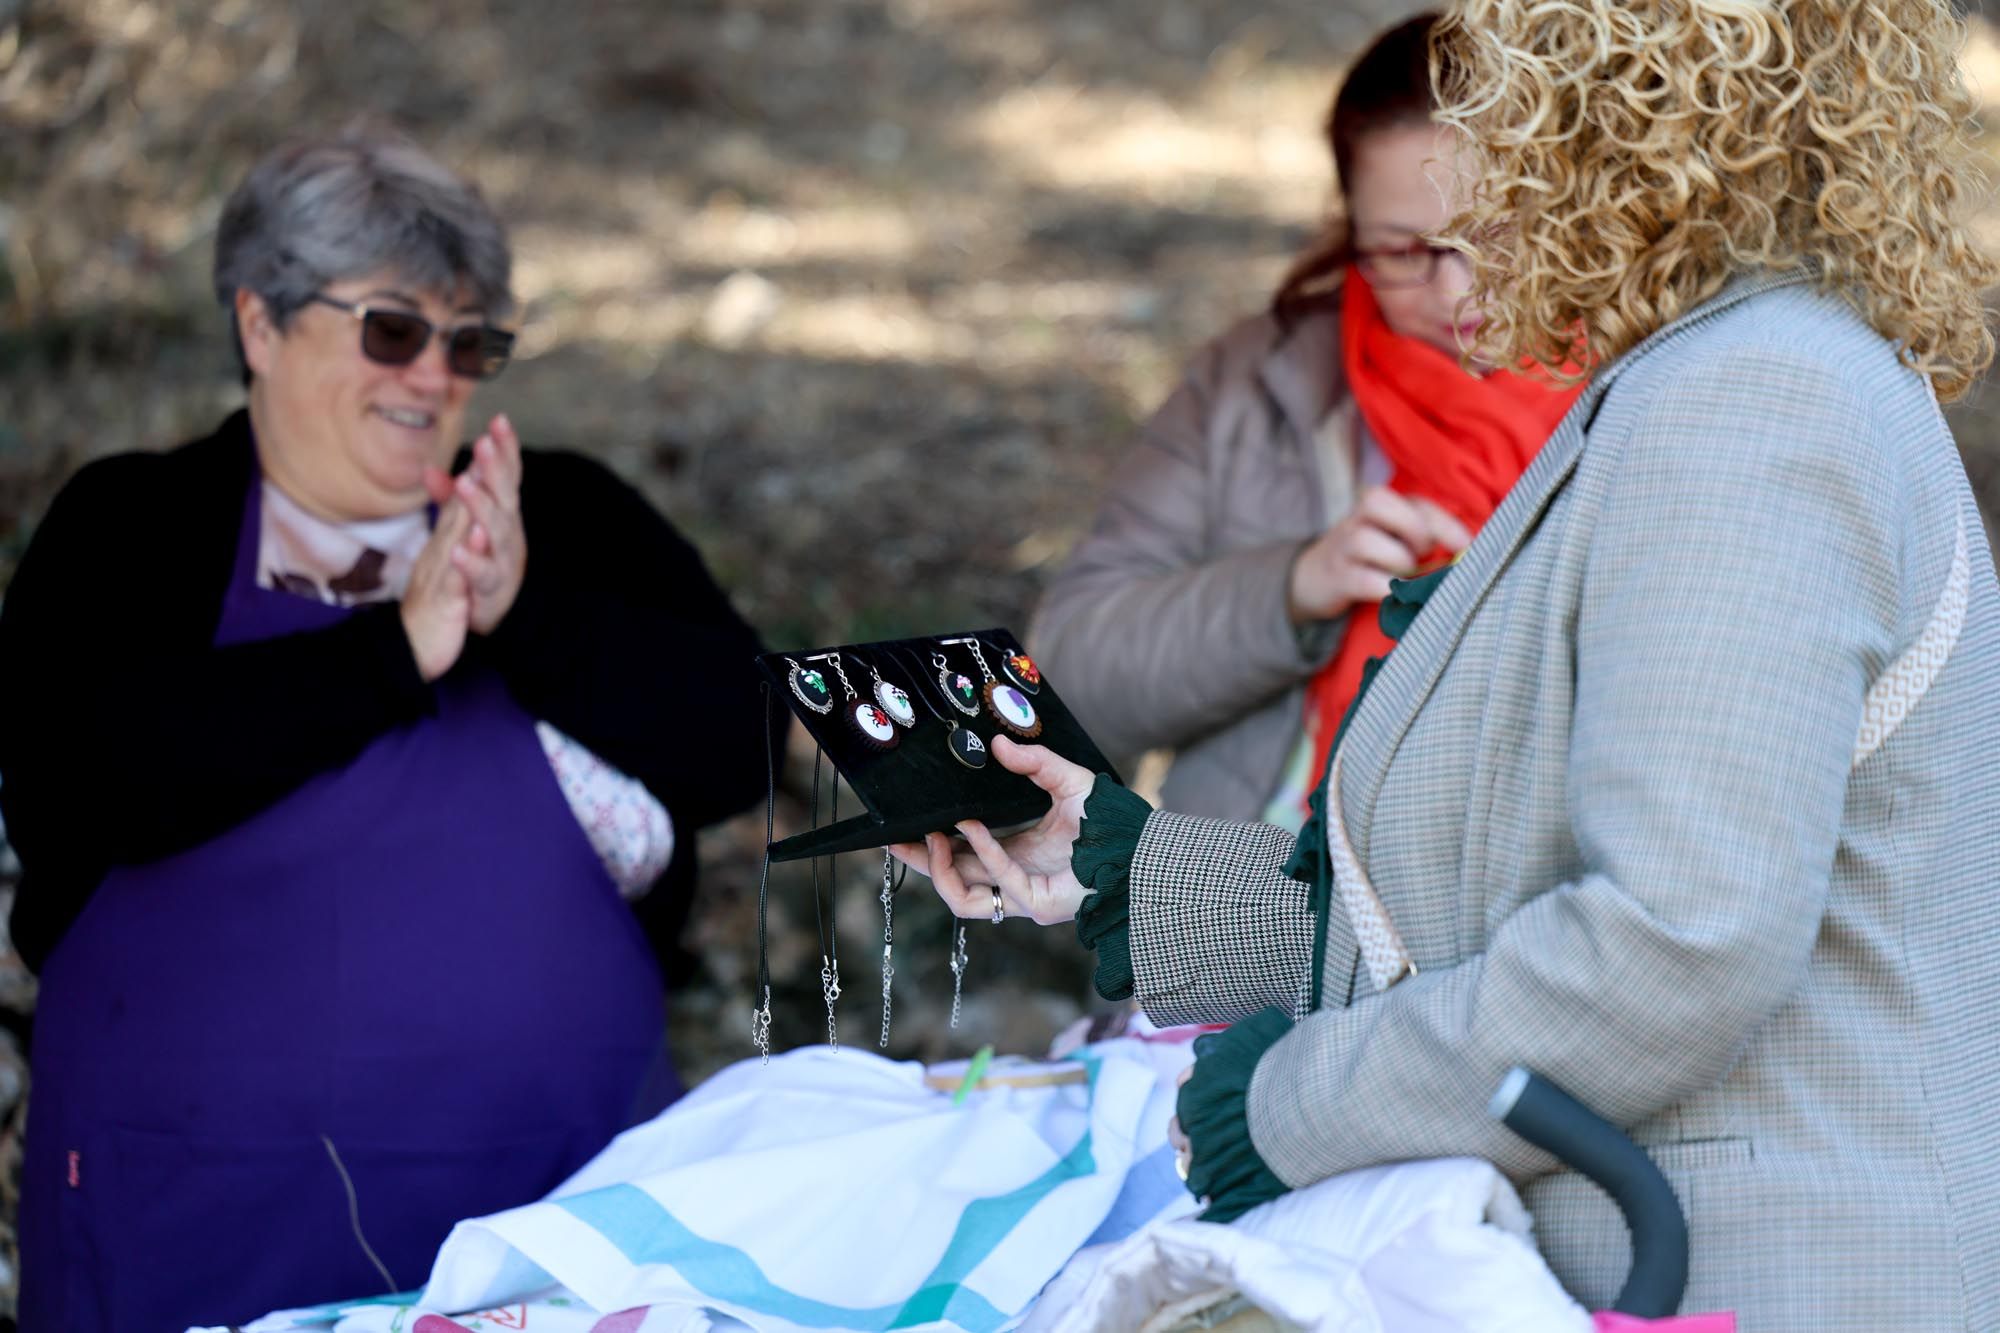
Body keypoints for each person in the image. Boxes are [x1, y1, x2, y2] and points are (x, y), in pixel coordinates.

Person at [900, 2, 2000, 1326]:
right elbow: (1483, 914)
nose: (1458, 247)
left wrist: (1288, 1106)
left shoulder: (1751, 407)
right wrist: (1127, 863)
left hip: (1750, 1270)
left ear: (1613, 121)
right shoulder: (1709, 377)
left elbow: (1671, 945)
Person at [0, 126, 772, 1332]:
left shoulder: (569, 519)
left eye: (468, 344)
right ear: (259, 324)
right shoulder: (131, 525)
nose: (435, 378)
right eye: (392, 330)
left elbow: (743, 747)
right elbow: (87, 782)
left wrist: (523, 615)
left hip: (556, 1228)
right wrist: (389, 653)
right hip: (189, 1227)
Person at [1030, 12, 1580, 830]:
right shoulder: (1257, 381)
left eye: (1497, 237)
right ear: (1348, 229)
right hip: (1251, 903)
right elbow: (1067, 681)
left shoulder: (1657, 389)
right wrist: (1291, 589)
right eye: (1403, 252)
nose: (1458, 292)